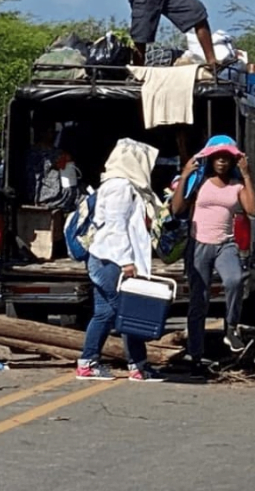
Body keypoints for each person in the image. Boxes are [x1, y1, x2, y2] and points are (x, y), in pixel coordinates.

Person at [76, 139, 166, 382]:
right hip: (111, 260)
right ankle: (138, 366)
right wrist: (127, 262)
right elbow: (116, 227)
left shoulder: (120, 185)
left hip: (105, 259)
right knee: (129, 312)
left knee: (104, 314)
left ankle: (88, 362)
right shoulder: (120, 187)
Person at [171, 136, 255, 373]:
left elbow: (252, 210)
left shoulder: (236, 185)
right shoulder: (200, 182)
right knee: (199, 300)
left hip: (225, 244)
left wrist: (247, 174)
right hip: (199, 244)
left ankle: (231, 327)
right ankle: (195, 353)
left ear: (232, 161)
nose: (222, 162)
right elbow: (177, 209)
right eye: (218, 157)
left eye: (227, 158)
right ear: (210, 159)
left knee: (235, 279)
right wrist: (186, 174)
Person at [25, 120, 79, 211]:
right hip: (45, 193)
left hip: (56, 186)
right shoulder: (33, 153)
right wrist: (56, 165)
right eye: (50, 132)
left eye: (53, 132)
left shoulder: (56, 151)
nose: (53, 135)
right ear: (42, 133)